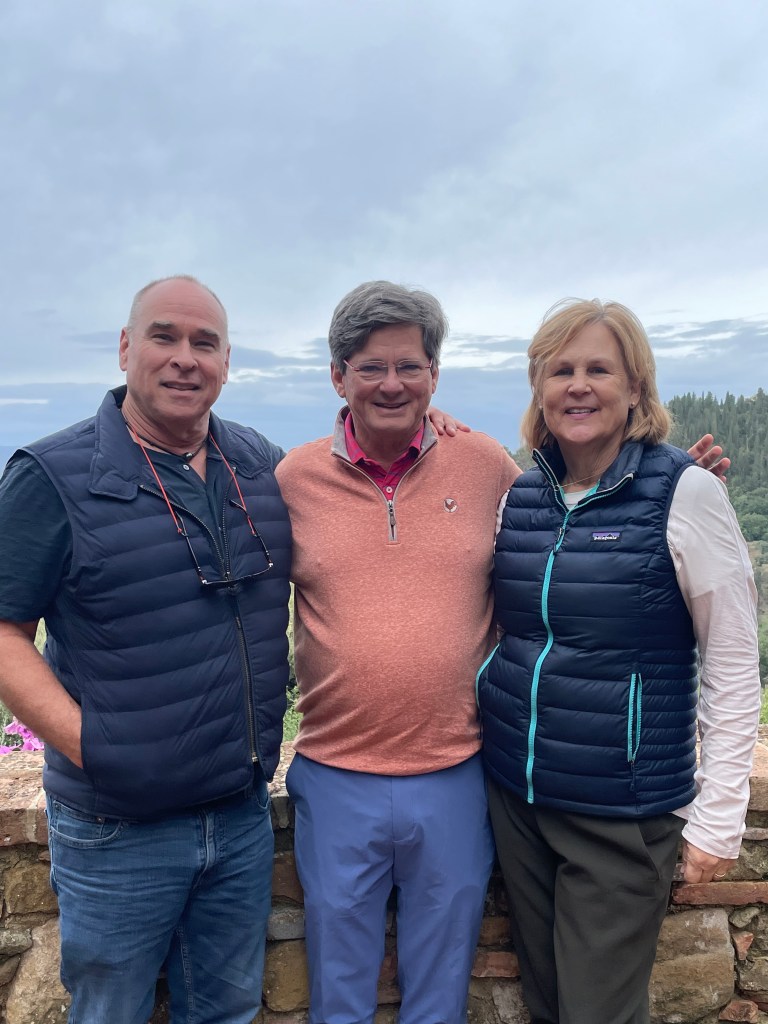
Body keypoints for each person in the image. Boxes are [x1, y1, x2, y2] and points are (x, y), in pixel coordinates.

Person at [0, 276, 293, 1024]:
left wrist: (428, 426)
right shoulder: (51, 476)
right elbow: (4, 633)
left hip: (239, 816)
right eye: (165, 337)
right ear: (127, 348)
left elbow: (353, 475)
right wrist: (94, 747)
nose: (185, 358)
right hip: (117, 829)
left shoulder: (259, 465)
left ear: (227, 362)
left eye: (205, 343)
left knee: (227, 1011)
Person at [477, 298, 760, 1024]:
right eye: (560, 370)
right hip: (518, 797)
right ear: (539, 388)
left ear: (635, 387)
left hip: (621, 811)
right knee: (548, 1005)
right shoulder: (523, 496)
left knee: (596, 1013)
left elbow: (732, 660)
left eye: (599, 370)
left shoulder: (686, 491)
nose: (578, 386)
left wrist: (719, 817)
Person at [275, 281, 522, 1024]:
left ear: (434, 375)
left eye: (409, 366)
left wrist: (668, 491)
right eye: (371, 367)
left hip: (455, 772)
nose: (392, 384)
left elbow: (568, 521)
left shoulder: (484, 463)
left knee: (440, 993)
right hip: (334, 775)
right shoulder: (292, 479)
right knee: (338, 991)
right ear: (337, 376)